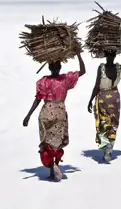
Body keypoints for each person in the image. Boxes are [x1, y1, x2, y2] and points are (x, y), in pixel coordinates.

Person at [22, 52, 86, 181]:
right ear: (55, 68)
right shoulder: (61, 80)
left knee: (50, 143)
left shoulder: (48, 81)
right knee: (54, 143)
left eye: (56, 66)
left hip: (50, 113)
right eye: (55, 66)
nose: (55, 68)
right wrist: (78, 54)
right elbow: (83, 71)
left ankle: (53, 167)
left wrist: (28, 115)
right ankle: (54, 166)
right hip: (56, 113)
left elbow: (38, 99)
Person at [87, 48, 121, 163]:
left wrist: (90, 100)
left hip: (103, 98)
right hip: (115, 98)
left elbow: (97, 85)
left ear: (106, 56)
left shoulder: (102, 68)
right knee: (113, 123)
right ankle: (109, 147)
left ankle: (106, 147)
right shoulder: (118, 68)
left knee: (103, 123)